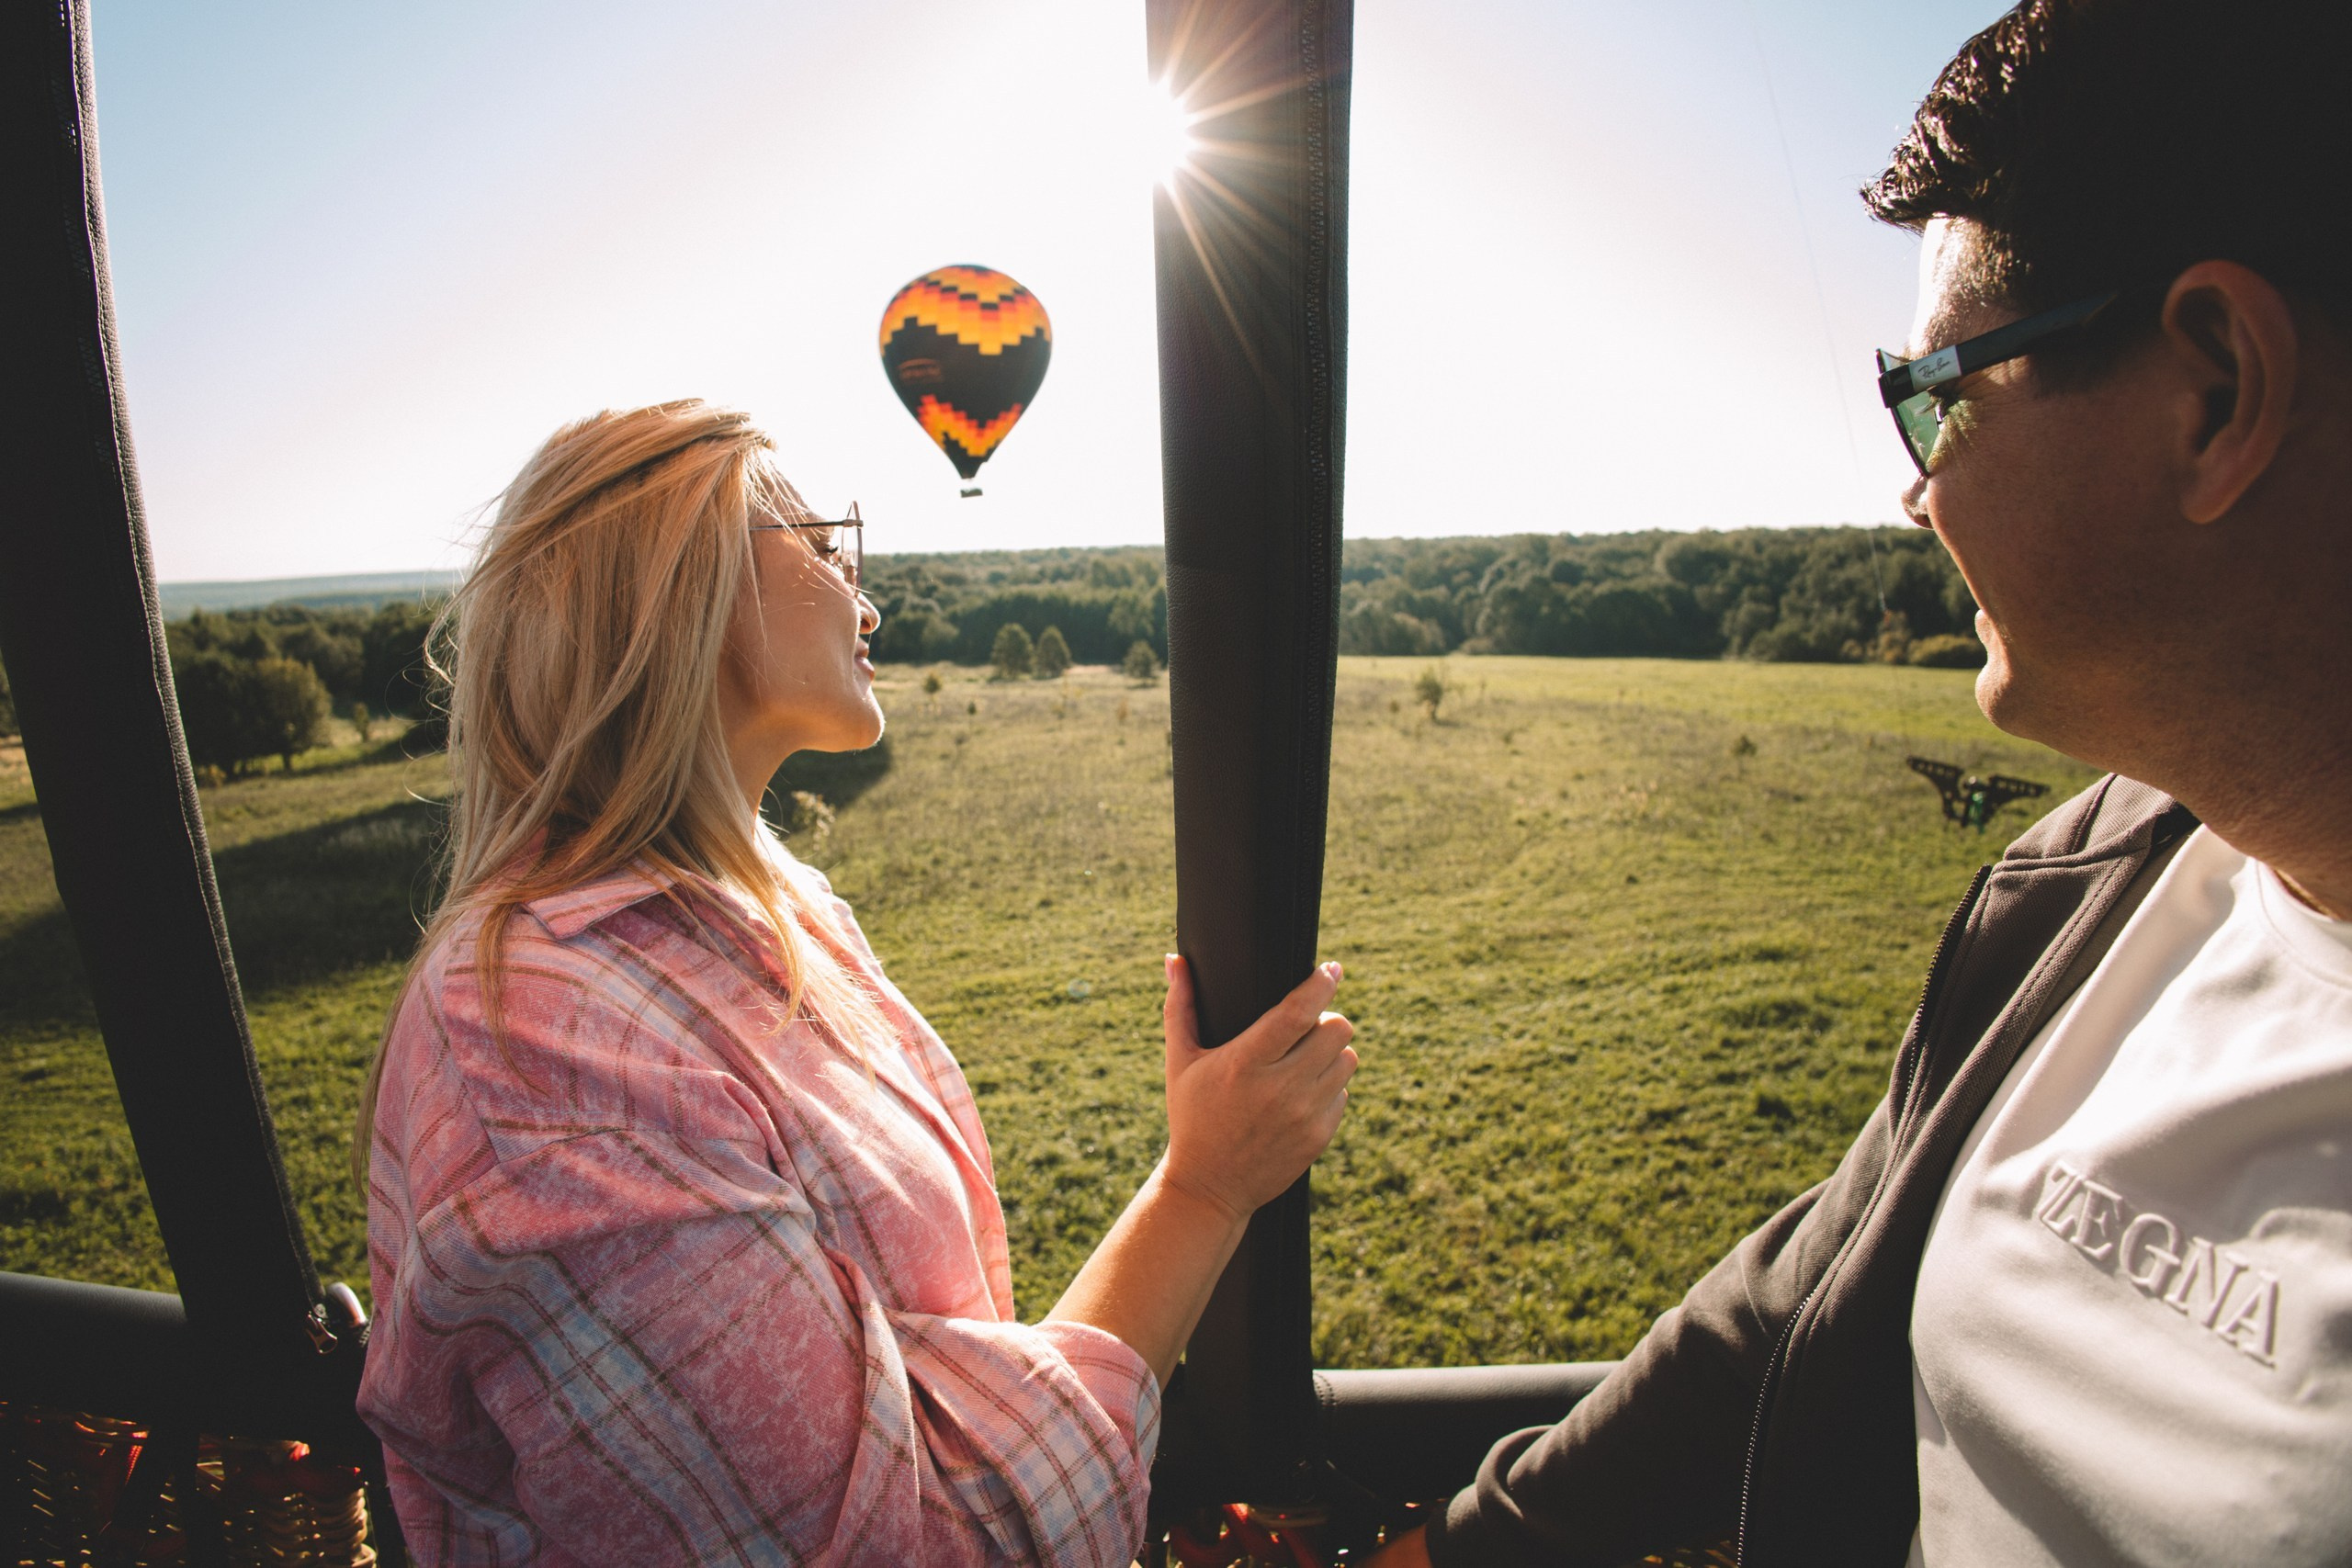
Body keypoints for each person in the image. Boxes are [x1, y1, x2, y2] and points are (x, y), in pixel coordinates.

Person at [1375, 1, 2352, 1563]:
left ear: (2218, 391)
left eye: (1938, 393)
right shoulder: (2081, 887)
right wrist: (1466, 1546)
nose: (1910, 486)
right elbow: (1807, 1283)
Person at [353, 400, 1359, 1566]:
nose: (868, 600)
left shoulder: (774, 916)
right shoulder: (542, 1043)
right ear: (684, 586)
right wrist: (1204, 1189)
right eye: (829, 548)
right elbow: (915, 1553)